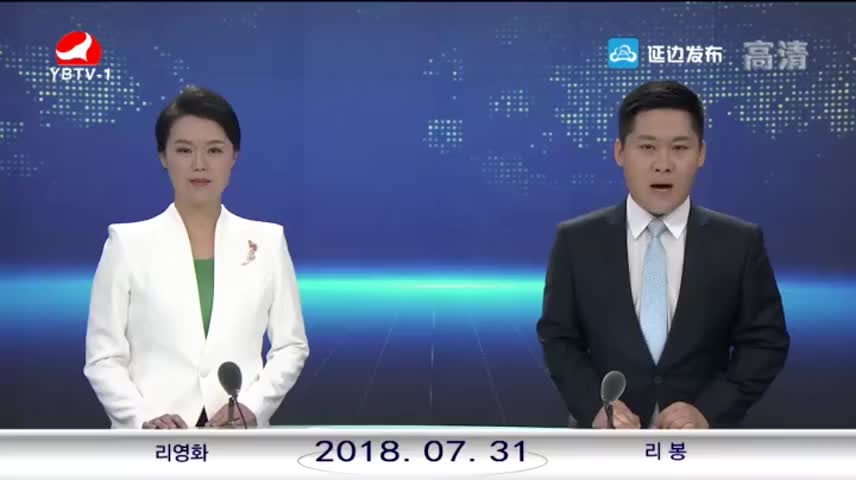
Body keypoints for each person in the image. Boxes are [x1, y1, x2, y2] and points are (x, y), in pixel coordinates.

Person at [536, 80, 789, 429]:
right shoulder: (576, 241)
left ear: (701, 154)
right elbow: (559, 339)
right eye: (647, 147)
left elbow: (765, 343)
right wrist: (596, 407)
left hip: (701, 444)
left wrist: (708, 410)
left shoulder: (739, 243)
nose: (663, 164)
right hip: (606, 443)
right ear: (620, 152)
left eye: (680, 147)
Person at [84, 86, 309, 429]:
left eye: (214, 150)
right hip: (153, 441)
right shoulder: (126, 244)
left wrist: (252, 407)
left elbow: (291, 346)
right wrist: (142, 417)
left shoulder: (267, 242)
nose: (199, 165)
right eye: (184, 150)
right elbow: (103, 357)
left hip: (238, 438)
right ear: (163, 156)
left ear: (233, 156)